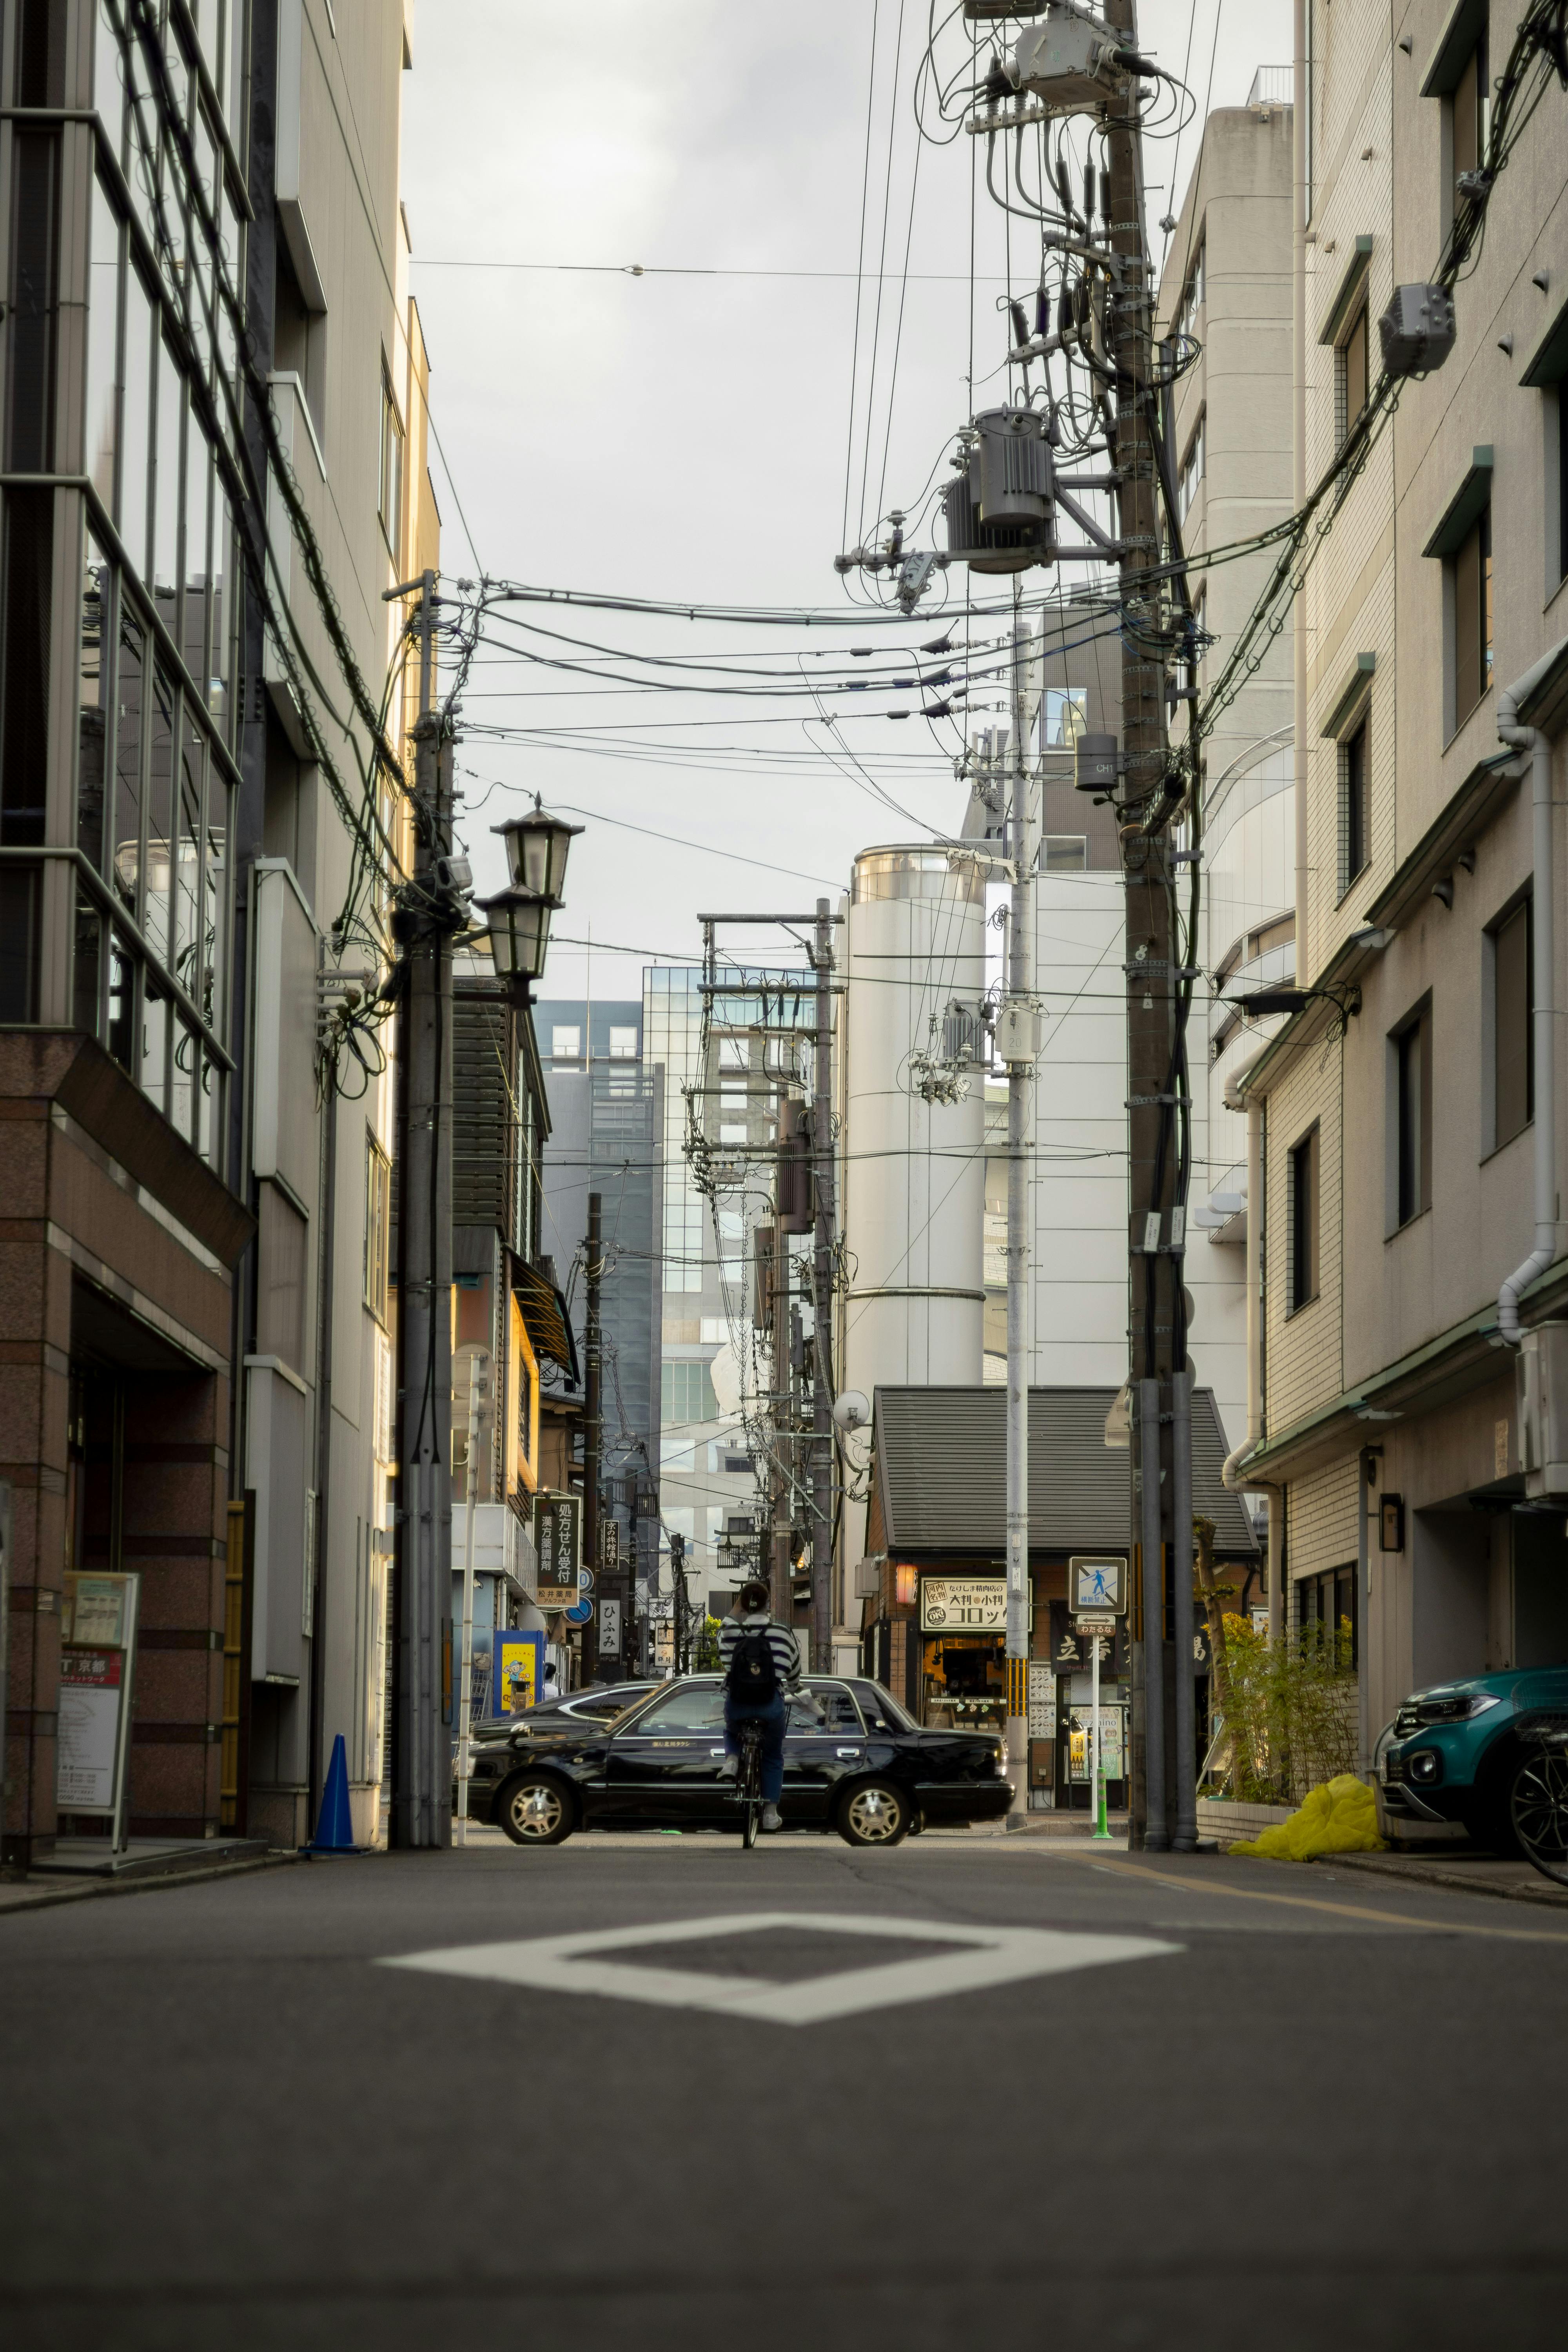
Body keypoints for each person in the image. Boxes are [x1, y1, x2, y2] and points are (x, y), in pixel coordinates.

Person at [717, 1578, 801, 1834]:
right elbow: (794, 1674)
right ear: (769, 1605)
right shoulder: (784, 1633)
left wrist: (739, 1608)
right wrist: (794, 1688)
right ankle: (770, 1814)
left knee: (731, 1730)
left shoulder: (731, 1630)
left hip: (739, 1703)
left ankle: (732, 1759)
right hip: (771, 1706)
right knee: (774, 1756)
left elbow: (724, 1659)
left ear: (742, 1604)